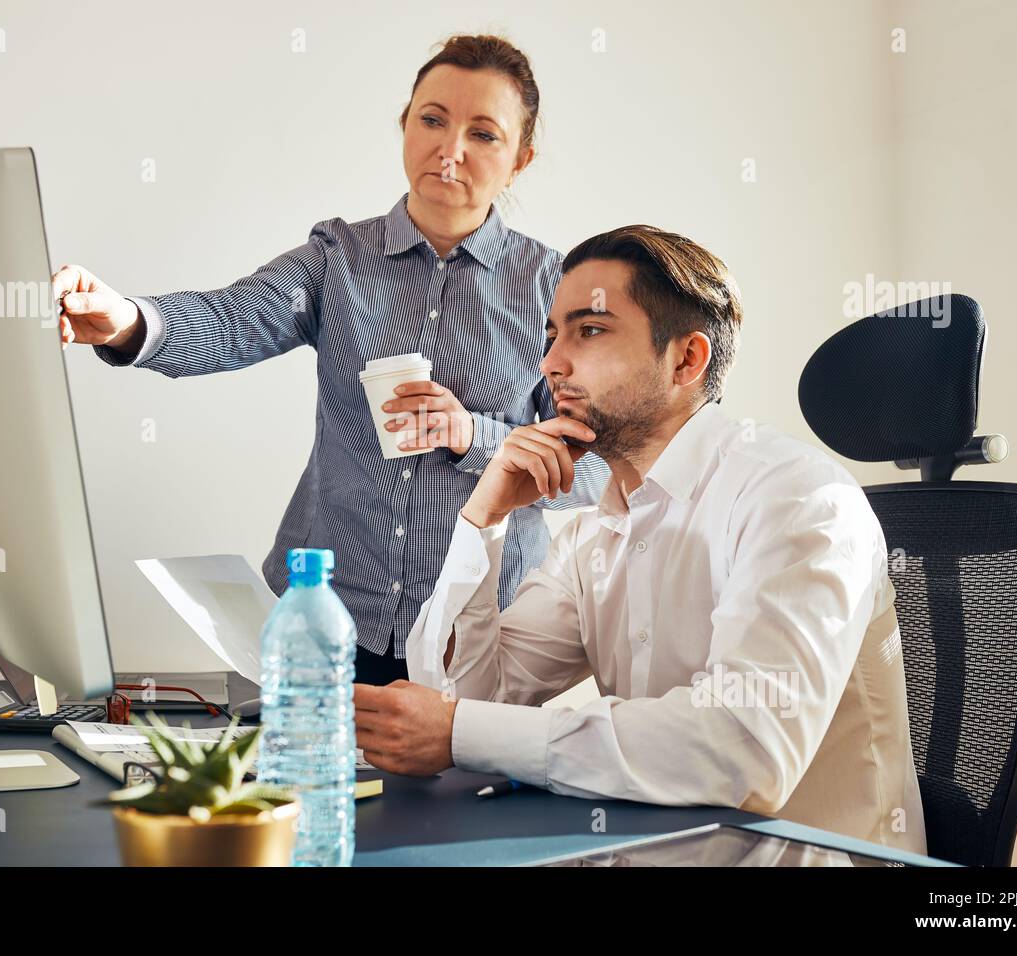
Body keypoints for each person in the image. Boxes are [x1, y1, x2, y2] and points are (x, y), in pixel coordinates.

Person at [353, 225, 928, 854]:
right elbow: (461, 699)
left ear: (686, 360)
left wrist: (461, 731)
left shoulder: (797, 498)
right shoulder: (593, 533)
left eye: (589, 331)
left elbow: (746, 748)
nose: (551, 364)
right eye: (551, 336)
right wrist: (482, 522)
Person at [52, 35, 609, 684]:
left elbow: (599, 469)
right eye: (432, 120)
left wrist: (473, 436)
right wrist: (126, 320)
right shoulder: (336, 259)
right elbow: (231, 320)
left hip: (477, 640)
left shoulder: (555, 288)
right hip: (321, 626)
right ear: (405, 124)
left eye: (483, 134)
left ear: (520, 160)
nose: (450, 149)